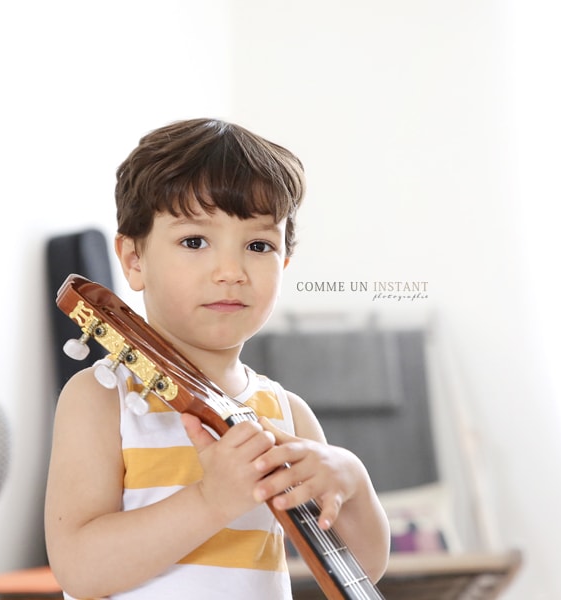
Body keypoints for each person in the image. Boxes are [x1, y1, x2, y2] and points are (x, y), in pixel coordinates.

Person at [44, 118, 390, 599]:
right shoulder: (102, 399)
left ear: (283, 265)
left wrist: (352, 480)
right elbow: (79, 570)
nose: (230, 271)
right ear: (133, 259)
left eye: (258, 245)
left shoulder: (288, 414)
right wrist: (211, 501)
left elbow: (361, 569)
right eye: (194, 241)